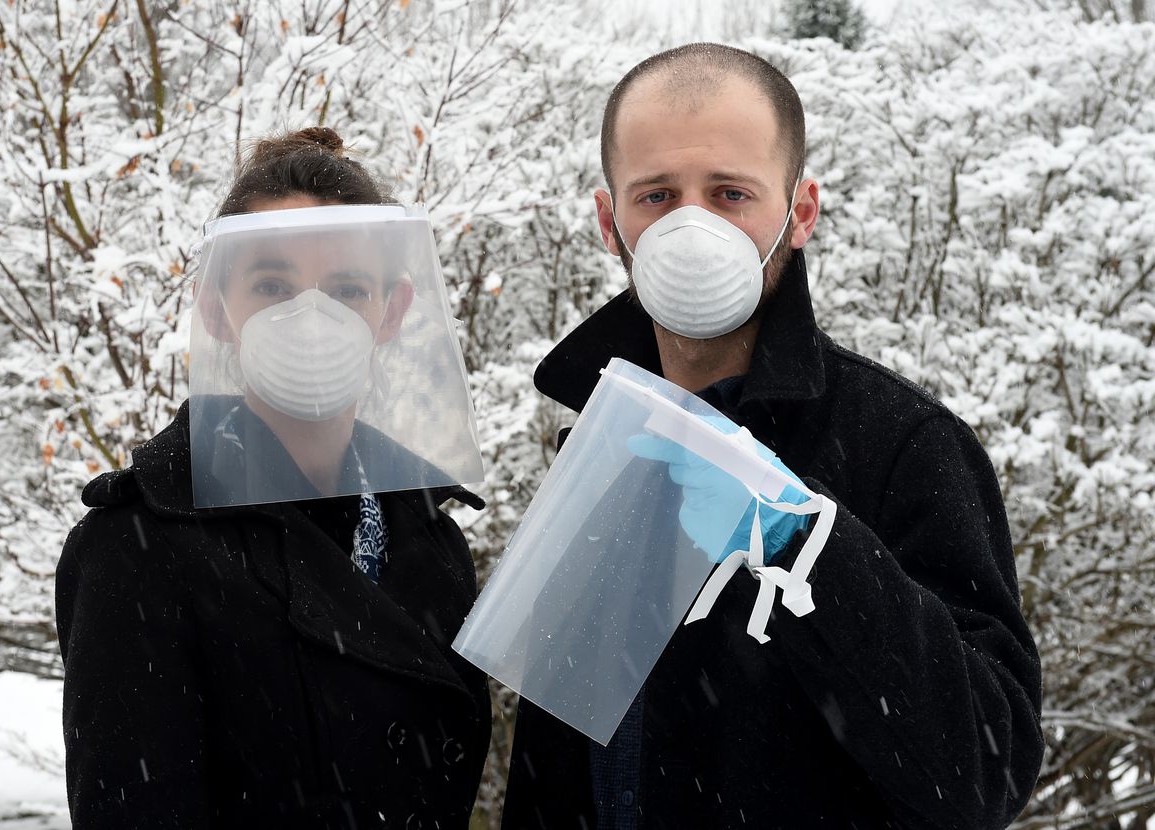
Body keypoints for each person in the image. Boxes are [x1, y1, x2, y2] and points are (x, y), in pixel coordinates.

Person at [501, 44, 1044, 829]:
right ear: (607, 220)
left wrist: (804, 539)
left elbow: (984, 774)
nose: (692, 226)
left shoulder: (906, 444)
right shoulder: (598, 441)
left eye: (730, 193)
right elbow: (558, 774)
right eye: (656, 196)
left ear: (801, 212)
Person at [56, 127, 491, 830]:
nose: (309, 318)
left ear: (394, 311)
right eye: (272, 284)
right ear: (216, 311)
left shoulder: (431, 535)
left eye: (347, 287)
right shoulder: (137, 548)